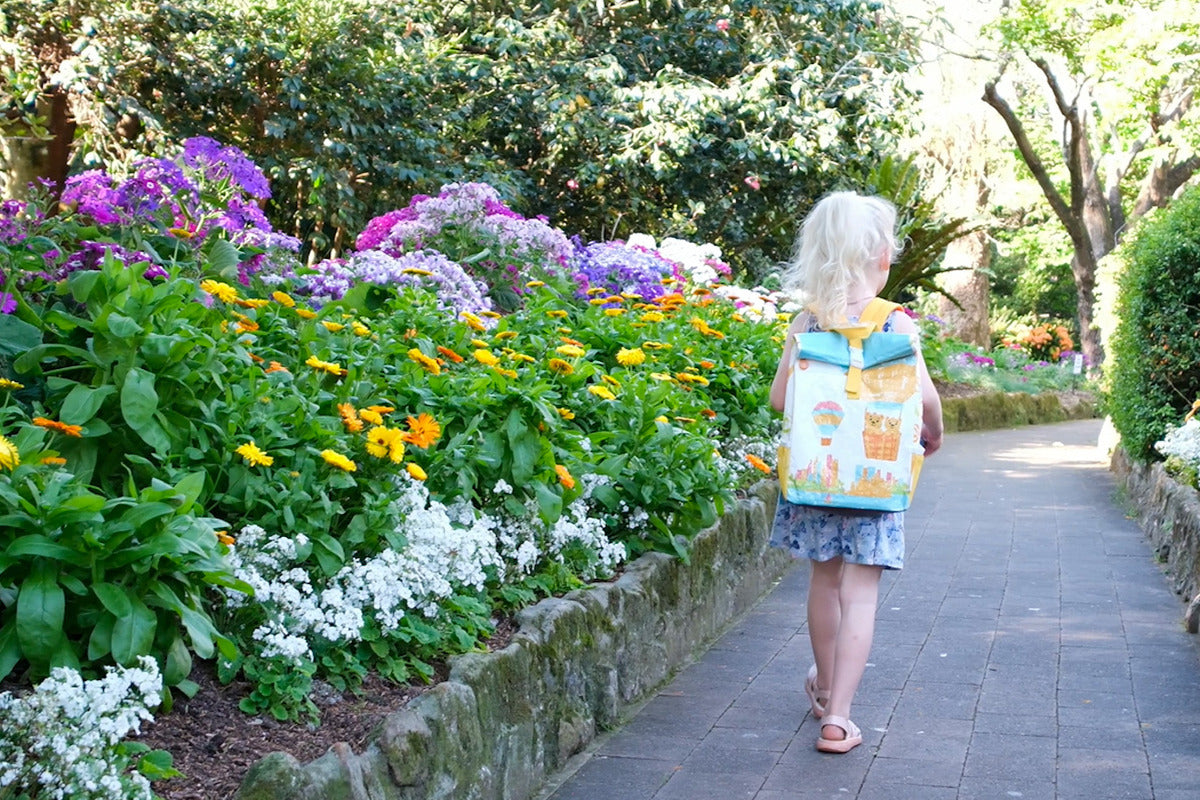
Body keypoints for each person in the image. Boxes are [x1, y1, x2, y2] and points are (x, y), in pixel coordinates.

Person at [767, 191, 943, 753]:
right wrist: (934, 431)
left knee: (824, 580)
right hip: (875, 478)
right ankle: (838, 718)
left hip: (817, 478)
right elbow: (922, 396)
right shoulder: (893, 321)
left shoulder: (808, 319)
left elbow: (779, 399)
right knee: (860, 593)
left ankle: (821, 688)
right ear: (883, 256)